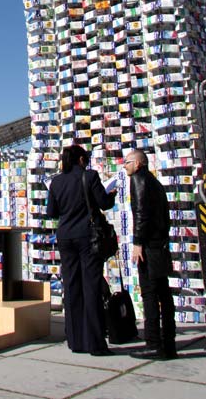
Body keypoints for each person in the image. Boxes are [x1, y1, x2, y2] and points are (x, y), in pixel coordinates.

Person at [47, 144, 117, 356]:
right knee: (91, 286)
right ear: (80, 160)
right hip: (88, 237)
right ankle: (95, 343)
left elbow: (52, 212)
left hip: (65, 237)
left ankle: (75, 340)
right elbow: (104, 204)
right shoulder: (90, 176)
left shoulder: (56, 182)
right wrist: (111, 194)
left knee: (72, 286)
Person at [124, 149, 177, 360]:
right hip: (160, 245)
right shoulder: (155, 183)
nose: (124, 165)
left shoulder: (138, 180)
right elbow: (166, 216)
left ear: (138, 163)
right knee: (164, 294)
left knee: (149, 295)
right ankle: (169, 343)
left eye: (127, 162)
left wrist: (138, 243)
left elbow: (141, 214)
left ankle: (153, 343)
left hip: (148, 246)